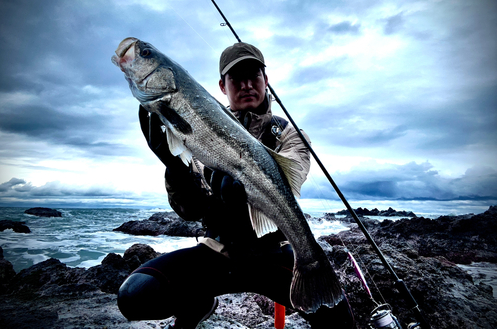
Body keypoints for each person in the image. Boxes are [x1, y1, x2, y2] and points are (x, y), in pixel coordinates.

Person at [117, 42, 355, 329]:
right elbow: (189, 210)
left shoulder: (290, 135)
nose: (246, 85)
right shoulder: (196, 124)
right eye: (235, 78)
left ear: (266, 81)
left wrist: (245, 192)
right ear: (222, 85)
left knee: (339, 319)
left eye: (254, 76)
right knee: (136, 295)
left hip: (274, 254)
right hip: (218, 252)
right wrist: (175, 166)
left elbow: (293, 176)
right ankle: (199, 303)